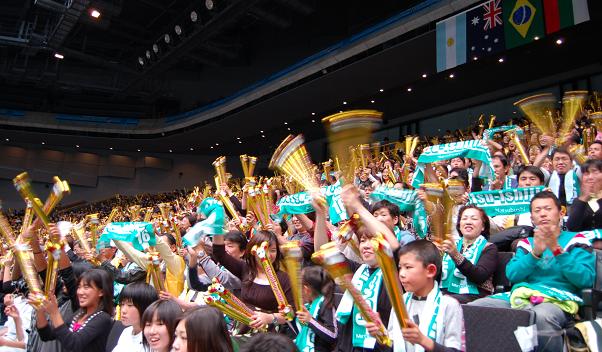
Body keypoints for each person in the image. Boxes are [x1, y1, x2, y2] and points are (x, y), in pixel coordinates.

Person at [469, 191, 596, 351]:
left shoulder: (577, 240)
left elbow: (585, 279)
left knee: (540, 315)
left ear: (561, 213)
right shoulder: (526, 243)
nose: (542, 214)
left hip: (558, 299)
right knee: (476, 307)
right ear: (532, 219)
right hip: (521, 296)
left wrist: (556, 250)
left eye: (548, 209)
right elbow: (513, 274)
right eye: (537, 211)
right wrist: (535, 253)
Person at [368, 240, 464, 352]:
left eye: (408, 267)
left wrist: (422, 340)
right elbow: (392, 348)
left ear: (430, 270)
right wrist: (381, 336)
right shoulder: (400, 302)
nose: (402, 274)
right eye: (400, 268)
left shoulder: (449, 305)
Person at [212, 230, 296, 330]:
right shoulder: (245, 269)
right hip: (242, 330)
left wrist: (270, 318)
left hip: (268, 336)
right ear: (253, 251)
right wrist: (216, 225)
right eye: (263, 250)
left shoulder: (284, 279)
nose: (268, 255)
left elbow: (291, 314)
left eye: (273, 250)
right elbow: (219, 253)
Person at [34, 269, 114, 352]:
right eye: (79, 287)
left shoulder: (103, 318)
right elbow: (46, 335)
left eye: (86, 287)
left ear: (101, 292)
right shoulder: (80, 313)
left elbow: (73, 345)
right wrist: (40, 309)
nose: (80, 292)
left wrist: (54, 313)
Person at [439, 205, 497, 303]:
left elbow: (479, 276)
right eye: (464, 218)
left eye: (474, 219)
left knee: (443, 301)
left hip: (475, 296)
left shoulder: (489, 248)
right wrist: (434, 256)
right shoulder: (451, 245)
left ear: (483, 226)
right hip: (445, 292)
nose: (468, 222)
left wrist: (456, 255)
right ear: (459, 225)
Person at [295, 266, 337, 352]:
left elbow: (333, 335)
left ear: (306, 289)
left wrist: (310, 320)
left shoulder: (326, 304)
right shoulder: (309, 306)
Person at [112, 283, 158, 352]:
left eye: (130, 305)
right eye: (122, 304)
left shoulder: (152, 339)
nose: (123, 310)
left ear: (146, 307)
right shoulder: (126, 332)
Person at [566, 159, 602, 232]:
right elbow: (572, 227)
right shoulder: (578, 201)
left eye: (595, 172)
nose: (590, 177)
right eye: (586, 173)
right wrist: (584, 198)